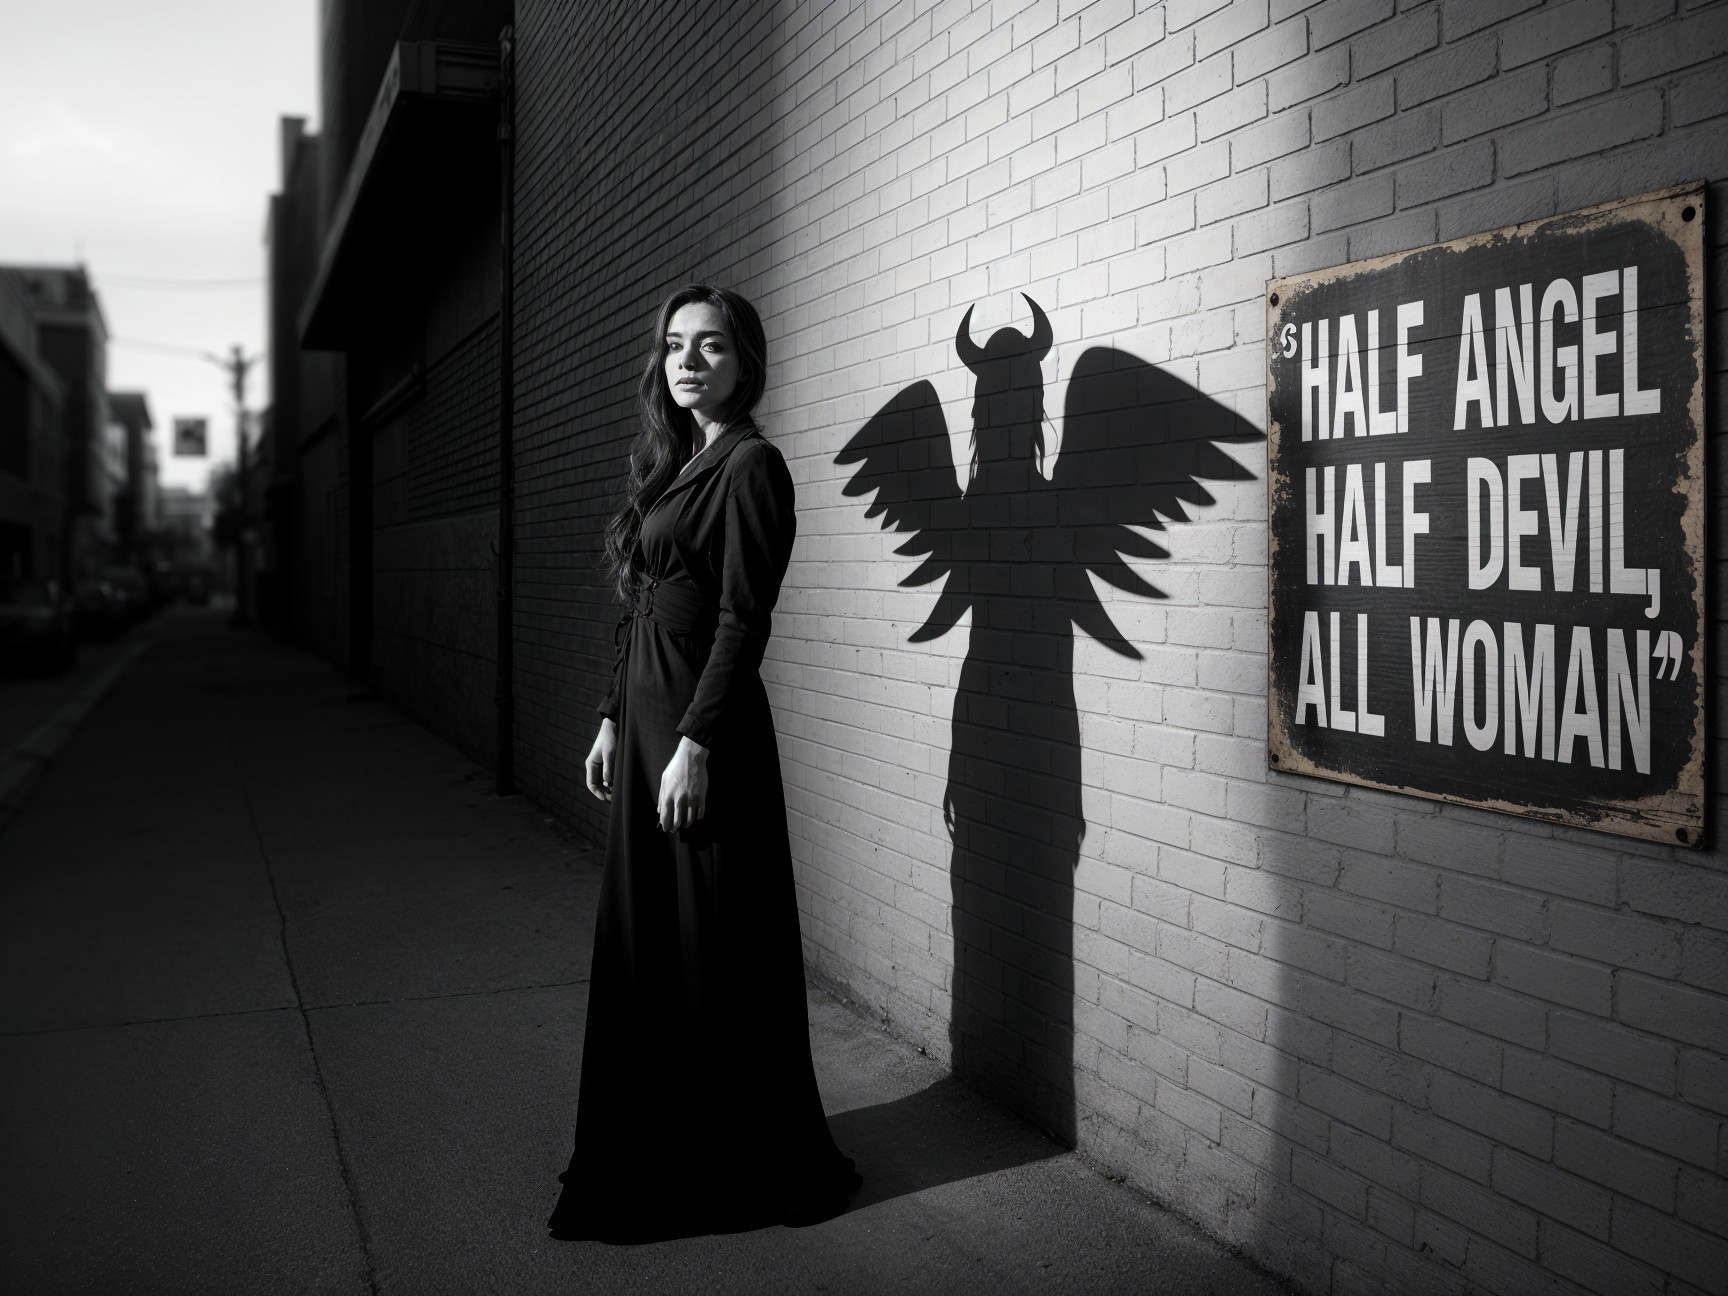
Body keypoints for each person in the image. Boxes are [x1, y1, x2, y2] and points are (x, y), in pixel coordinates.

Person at [547, 285, 860, 1242]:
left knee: (715, 945)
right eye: (677, 345)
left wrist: (696, 743)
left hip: (699, 739)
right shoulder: (678, 459)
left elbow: (742, 619)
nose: (689, 361)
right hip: (646, 729)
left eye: (711, 346)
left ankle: (741, 1160)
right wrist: (611, 717)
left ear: (744, 362)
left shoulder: (754, 467)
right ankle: (663, 1139)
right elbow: (639, 601)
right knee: (650, 945)